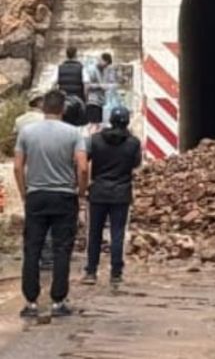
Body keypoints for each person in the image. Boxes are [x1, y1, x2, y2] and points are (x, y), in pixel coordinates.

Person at [14, 90, 87, 318]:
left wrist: (25, 193)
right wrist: (81, 193)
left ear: (43, 107)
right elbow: (83, 167)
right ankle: (58, 301)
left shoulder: (26, 132)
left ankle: (31, 302)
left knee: (32, 249)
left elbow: (17, 167)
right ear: (63, 109)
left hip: (36, 195)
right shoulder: (74, 133)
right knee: (61, 249)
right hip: (64, 196)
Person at [82, 106, 140, 286]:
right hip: (121, 194)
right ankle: (116, 273)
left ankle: (91, 272)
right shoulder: (133, 143)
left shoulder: (95, 140)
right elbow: (136, 164)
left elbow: (85, 160)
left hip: (98, 192)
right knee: (118, 234)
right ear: (127, 122)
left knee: (94, 233)